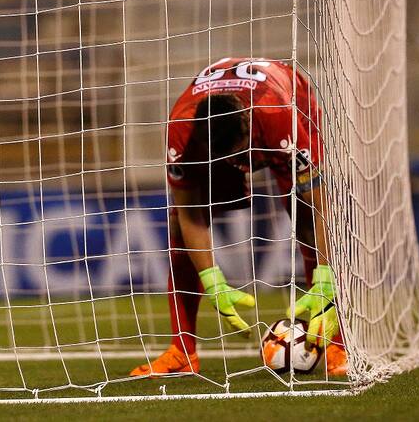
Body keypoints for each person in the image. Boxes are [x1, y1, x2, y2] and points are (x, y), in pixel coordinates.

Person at [129, 57, 346, 378]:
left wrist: (326, 275)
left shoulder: (277, 117)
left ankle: (336, 343)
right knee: (177, 228)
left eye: (237, 153)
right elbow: (189, 212)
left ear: (246, 126)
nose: (236, 162)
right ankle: (182, 351)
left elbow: (318, 203)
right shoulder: (182, 130)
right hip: (227, 131)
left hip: (292, 101)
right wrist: (212, 281)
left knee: (303, 215)